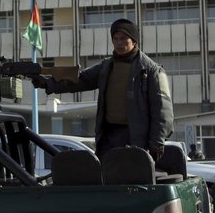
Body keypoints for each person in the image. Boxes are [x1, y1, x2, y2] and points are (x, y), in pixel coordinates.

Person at [32, 18, 173, 162]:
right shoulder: (106, 67)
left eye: (123, 38)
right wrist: (48, 83)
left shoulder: (151, 71)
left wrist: (157, 142)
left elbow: (163, 112)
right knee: (106, 178)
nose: (119, 43)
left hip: (136, 138)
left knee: (133, 179)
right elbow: (80, 80)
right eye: (115, 39)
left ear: (134, 40)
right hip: (109, 136)